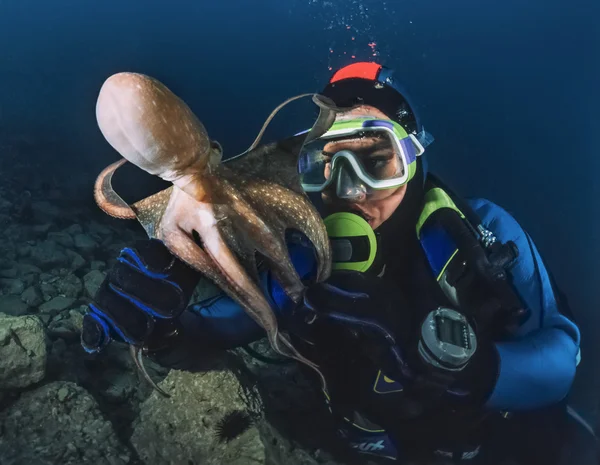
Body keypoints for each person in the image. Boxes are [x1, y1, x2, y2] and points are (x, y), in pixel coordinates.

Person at [81, 62, 582, 464]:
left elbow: (559, 363)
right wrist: (156, 324)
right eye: (323, 162)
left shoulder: (476, 237)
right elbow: (210, 332)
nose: (349, 189)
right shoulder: (298, 262)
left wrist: (456, 364)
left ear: (413, 158)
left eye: (374, 157)